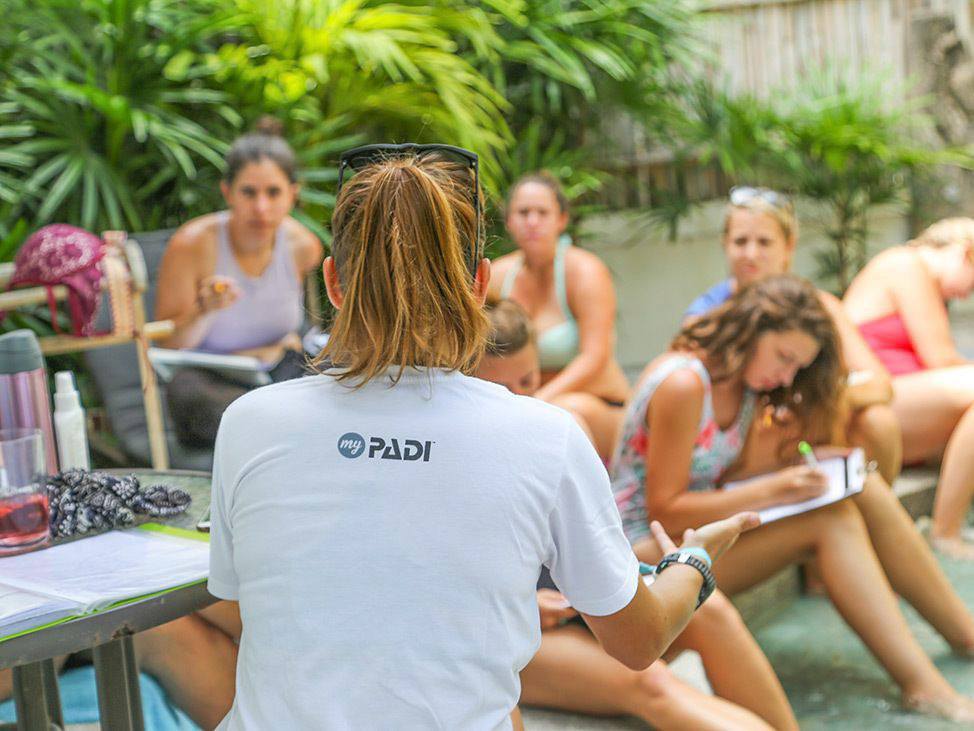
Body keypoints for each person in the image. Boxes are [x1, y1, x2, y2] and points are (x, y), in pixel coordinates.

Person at [206, 143, 758, 729]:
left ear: (334, 283)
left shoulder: (248, 421)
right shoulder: (543, 436)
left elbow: (253, 603)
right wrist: (695, 559)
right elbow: (639, 640)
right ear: (480, 284)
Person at [615, 274, 974, 722]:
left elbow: (720, 474)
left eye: (796, 367)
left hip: (693, 537)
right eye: (784, 357)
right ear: (752, 328)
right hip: (641, 550)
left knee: (858, 485)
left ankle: (963, 636)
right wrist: (777, 487)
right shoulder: (685, 383)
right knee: (831, 522)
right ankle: (925, 685)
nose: (785, 376)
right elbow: (665, 509)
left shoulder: (745, 384)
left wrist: (798, 467)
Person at [477, 300, 797, 729]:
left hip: (573, 610)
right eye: (502, 389)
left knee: (710, 610)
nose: (522, 399)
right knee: (654, 684)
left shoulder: (554, 435)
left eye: (528, 381)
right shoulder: (459, 457)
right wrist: (527, 604)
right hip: (511, 628)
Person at [684, 187, 902, 484]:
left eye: (764, 242)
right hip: (750, 447)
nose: (751, 254)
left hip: (808, 433)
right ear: (725, 244)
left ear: (788, 247)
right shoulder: (706, 319)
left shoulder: (818, 309)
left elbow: (881, 385)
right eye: (740, 241)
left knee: (878, 420)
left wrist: (817, 399)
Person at [154, 117, 323, 446]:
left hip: (276, 375)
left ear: (292, 194)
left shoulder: (304, 247)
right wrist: (204, 309)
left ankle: (269, 429)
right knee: (189, 393)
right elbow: (168, 345)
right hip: (213, 383)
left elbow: (300, 333)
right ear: (227, 192)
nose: (261, 207)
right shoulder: (192, 244)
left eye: (273, 193)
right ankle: (281, 431)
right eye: (249, 192)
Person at [843, 217, 974, 556]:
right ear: (966, 253)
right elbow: (941, 360)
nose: (967, 294)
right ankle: (945, 532)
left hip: (901, 409)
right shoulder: (906, 264)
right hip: (873, 407)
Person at [488, 172, 630, 458]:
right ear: (509, 221)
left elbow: (596, 356)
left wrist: (537, 402)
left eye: (542, 213)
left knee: (563, 417)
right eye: (523, 212)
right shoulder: (498, 274)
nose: (532, 221)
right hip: (523, 407)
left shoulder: (585, 271)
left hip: (596, 405)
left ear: (561, 220)